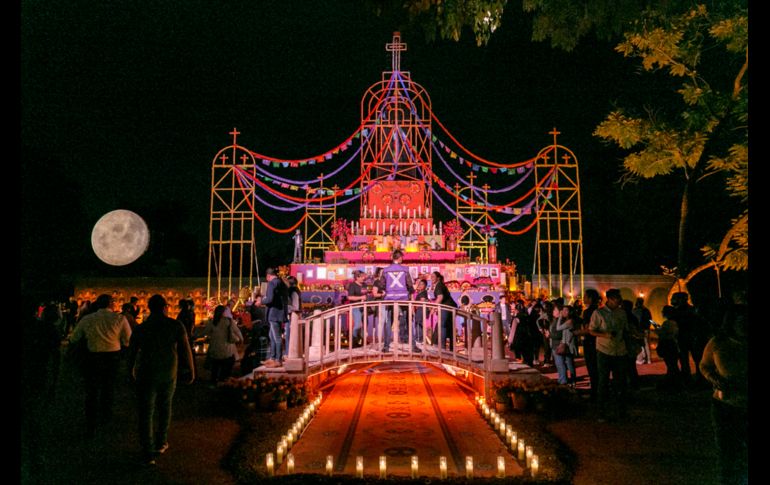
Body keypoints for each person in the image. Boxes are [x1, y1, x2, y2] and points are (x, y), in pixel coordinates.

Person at [127, 294, 195, 465]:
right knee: (165, 408)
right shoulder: (175, 325)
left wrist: (129, 371)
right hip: (168, 372)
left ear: (149, 308)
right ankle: (161, 441)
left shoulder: (141, 328)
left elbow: (132, 353)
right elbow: (186, 350)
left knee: (146, 412)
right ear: (165, 307)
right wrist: (191, 370)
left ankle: (147, 451)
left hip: (146, 373)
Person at [69, 293, 132, 438]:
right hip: (112, 357)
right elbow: (128, 340)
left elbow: (74, 338)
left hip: (93, 357)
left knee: (91, 390)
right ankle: (106, 417)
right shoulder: (119, 318)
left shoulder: (87, 319)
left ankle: (91, 421)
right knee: (108, 388)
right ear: (111, 304)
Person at [699, 302, 747, 485]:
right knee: (727, 451)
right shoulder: (717, 342)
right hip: (726, 405)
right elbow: (705, 365)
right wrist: (713, 378)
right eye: (739, 320)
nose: (742, 324)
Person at [22, 302, 62, 480]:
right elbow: (55, 358)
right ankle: (36, 459)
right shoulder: (47, 329)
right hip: (37, 377)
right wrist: (53, 382)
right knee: (34, 420)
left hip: (32, 376)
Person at [588, 288, 629, 421]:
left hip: (620, 351)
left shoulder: (622, 313)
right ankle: (601, 412)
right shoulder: (598, 313)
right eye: (617, 298)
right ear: (610, 299)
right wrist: (605, 334)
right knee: (603, 381)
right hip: (604, 350)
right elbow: (591, 331)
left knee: (621, 382)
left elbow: (626, 329)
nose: (619, 300)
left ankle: (621, 411)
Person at [381, 250, 413, 352]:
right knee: (408, 320)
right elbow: (409, 284)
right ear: (399, 258)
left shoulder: (385, 270)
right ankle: (412, 344)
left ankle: (386, 346)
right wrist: (411, 291)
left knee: (389, 321)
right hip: (403, 298)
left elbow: (382, 284)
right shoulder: (405, 269)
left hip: (390, 298)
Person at [203, 305, 243, 383]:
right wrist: (241, 339)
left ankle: (213, 382)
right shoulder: (229, 321)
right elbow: (237, 331)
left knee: (215, 368)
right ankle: (224, 382)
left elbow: (205, 332)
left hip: (215, 350)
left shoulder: (212, 322)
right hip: (227, 350)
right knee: (226, 368)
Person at [258, 267, 288, 367]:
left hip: (274, 314)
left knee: (277, 338)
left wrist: (261, 301)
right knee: (272, 336)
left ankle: (278, 360)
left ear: (268, 276)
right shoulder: (281, 282)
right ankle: (272, 357)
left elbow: (269, 299)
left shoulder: (271, 283)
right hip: (280, 313)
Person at [575, 289, 600, 401]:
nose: (583, 299)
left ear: (590, 298)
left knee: (592, 368)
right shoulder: (600, 310)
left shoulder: (588, 312)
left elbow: (588, 329)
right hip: (599, 342)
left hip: (590, 342)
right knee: (598, 368)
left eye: (585, 297)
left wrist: (575, 333)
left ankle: (594, 393)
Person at [655, 305, 681, 391]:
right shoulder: (674, 322)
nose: (661, 313)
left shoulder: (667, 323)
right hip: (673, 345)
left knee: (671, 365)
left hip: (668, 345)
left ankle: (673, 383)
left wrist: (657, 329)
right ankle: (675, 382)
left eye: (663, 311)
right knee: (673, 364)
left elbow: (663, 334)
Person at [430, 270, 457, 351]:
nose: (431, 278)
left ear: (438, 278)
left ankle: (442, 347)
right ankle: (449, 347)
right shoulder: (440, 285)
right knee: (446, 326)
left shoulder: (439, 285)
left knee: (442, 326)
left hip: (447, 307)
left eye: (433, 277)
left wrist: (433, 308)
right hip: (449, 307)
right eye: (431, 277)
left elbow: (440, 297)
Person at [345, 270, 367, 347]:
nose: (363, 278)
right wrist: (361, 297)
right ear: (357, 277)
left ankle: (362, 341)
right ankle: (353, 341)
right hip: (355, 307)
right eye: (361, 277)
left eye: (364, 276)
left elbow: (365, 294)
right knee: (357, 325)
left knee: (364, 325)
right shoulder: (352, 285)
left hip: (363, 307)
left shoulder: (364, 285)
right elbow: (350, 297)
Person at [632, 297, 653, 364]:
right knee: (646, 344)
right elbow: (650, 320)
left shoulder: (634, 310)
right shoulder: (646, 310)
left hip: (638, 329)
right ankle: (649, 359)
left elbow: (634, 321)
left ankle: (640, 359)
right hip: (645, 329)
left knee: (639, 345)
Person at [285, 276, 302, 356]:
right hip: (292, 316)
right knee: (288, 335)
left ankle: (289, 353)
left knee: (289, 335)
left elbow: (295, 307)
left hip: (292, 316)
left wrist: (286, 307)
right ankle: (289, 353)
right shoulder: (294, 291)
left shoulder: (293, 291)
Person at [412, 278, 428, 352]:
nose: (420, 285)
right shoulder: (420, 292)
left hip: (420, 310)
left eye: (422, 284)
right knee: (418, 323)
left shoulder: (423, 292)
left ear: (425, 286)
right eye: (420, 284)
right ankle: (419, 339)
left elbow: (422, 301)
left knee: (418, 323)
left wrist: (416, 306)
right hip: (419, 310)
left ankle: (419, 339)